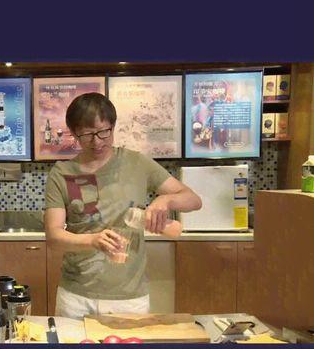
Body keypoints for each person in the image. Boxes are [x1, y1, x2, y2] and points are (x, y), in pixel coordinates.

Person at [44, 93, 202, 318]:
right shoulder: (61, 174)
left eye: (103, 132)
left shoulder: (137, 163)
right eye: (87, 135)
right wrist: (92, 240)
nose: (97, 142)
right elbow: (53, 237)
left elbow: (193, 200)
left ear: (113, 126)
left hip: (129, 298)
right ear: (74, 133)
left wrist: (166, 200)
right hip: (76, 297)